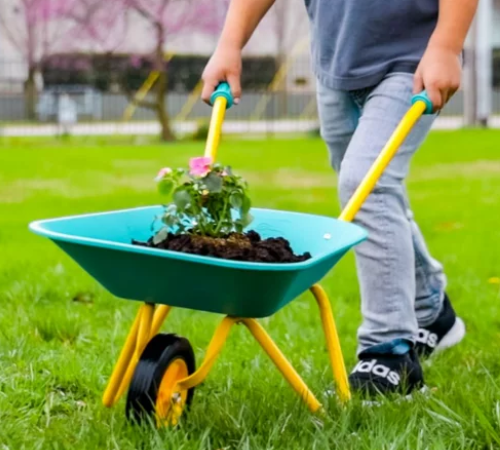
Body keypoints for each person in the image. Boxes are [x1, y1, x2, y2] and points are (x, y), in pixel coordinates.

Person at [201, 0, 476, 395]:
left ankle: (390, 352)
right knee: (369, 191)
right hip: (337, 65)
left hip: (413, 61)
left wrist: (446, 46)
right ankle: (432, 311)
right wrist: (229, 44)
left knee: (366, 184)